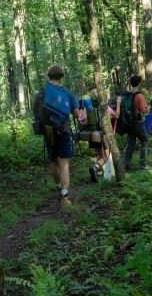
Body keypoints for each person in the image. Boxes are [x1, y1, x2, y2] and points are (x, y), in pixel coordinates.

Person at [37, 65, 80, 207]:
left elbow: (36, 114)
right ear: (61, 77)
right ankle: (65, 197)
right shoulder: (67, 93)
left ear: (49, 76)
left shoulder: (41, 93)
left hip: (48, 130)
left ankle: (58, 187)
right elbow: (76, 114)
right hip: (63, 130)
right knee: (64, 164)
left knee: (54, 162)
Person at [123, 75, 151, 170]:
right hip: (137, 122)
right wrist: (150, 106)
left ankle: (125, 163)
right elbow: (143, 110)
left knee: (131, 142)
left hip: (128, 122)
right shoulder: (139, 95)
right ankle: (143, 164)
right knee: (145, 140)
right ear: (139, 83)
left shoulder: (127, 94)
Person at [84, 88, 112, 183]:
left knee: (100, 154)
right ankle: (95, 168)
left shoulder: (87, 107)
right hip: (100, 133)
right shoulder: (102, 106)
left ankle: (96, 173)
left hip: (90, 132)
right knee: (106, 156)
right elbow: (114, 115)